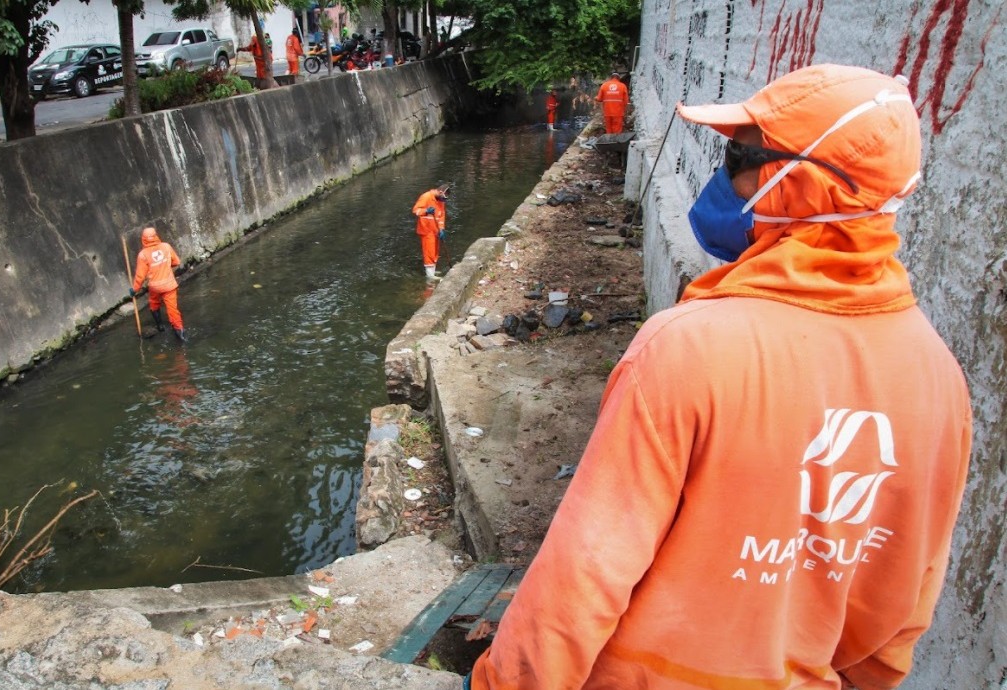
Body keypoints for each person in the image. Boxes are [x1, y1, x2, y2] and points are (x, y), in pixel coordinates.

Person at [469, 64, 972, 689]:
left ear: (801, 184)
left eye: (737, 152)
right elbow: (906, 598)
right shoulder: (940, 379)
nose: (722, 172)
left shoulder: (685, 351)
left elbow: (585, 574)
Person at [130, 227, 187, 343]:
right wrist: (164, 265)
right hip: (169, 284)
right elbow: (176, 261)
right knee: (172, 310)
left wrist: (134, 290)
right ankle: (181, 336)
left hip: (155, 286)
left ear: (143, 239)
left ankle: (160, 326)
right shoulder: (166, 247)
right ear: (156, 236)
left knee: (154, 304)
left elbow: (140, 276)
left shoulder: (143, 255)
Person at [411, 183, 450, 281]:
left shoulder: (441, 200)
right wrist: (426, 211)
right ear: (440, 192)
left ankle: (432, 270)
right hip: (427, 230)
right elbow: (415, 210)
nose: (444, 201)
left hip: (436, 230)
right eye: (444, 198)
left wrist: (441, 229)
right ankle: (430, 276)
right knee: (429, 252)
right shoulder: (426, 197)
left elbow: (441, 216)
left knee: (435, 251)